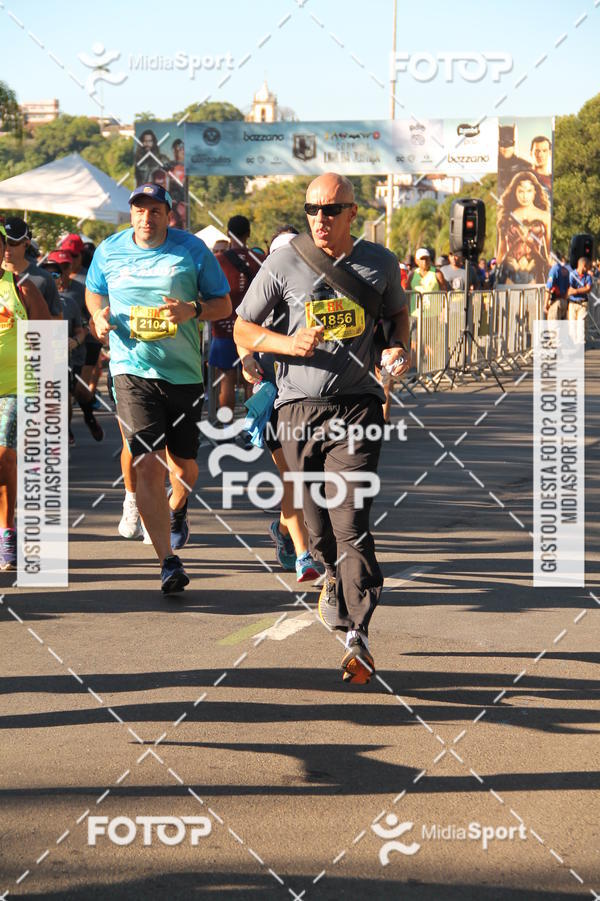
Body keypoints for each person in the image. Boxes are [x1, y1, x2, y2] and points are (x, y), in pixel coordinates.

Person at [234, 172, 410, 684]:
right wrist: (286, 345)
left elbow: (398, 316)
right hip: (296, 411)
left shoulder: (378, 263)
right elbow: (243, 326)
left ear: (353, 213)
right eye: (312, 210)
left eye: (331, 211)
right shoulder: (284, 259)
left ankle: (359, 633)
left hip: (356, 408)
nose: (320, 220)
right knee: (316, 526)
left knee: (350, 520)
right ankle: (328, 574)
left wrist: (398, 347)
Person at [86, 183, 231, 594]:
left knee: (183, 466)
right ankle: (168, 561)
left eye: (155, 211)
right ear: (131, 214)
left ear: (170, 215)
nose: (146, 218)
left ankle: (177, 508)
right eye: (139, 210)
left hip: (183, 374)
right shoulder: (109, 250)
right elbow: (94, 291)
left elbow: (224, 305)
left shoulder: (192, 251)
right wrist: (98, 318)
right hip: (131, 368)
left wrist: (194, 310)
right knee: (146, 460)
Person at [236, 225, 320, 583]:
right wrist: (246, 359)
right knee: (293, 478)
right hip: (276, 398)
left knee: (307, 480)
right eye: (279, 255)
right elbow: (243, 330)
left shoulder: (315, 291)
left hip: (315, 399)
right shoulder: (263, 291)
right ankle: (303, 556)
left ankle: (284, 531)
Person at [0, 224, 51, 570]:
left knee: (4, 456)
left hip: (16, 386)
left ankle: (7, 532)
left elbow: (47, 337)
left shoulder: (21, 287)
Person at [40, 250, 99, 444]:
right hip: (39, 357)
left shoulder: (73, 298)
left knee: (71, 393)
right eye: (48, 274)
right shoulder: (31, 297)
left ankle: (69, 427)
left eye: (59, 272)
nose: (56, 276)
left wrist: (76, 341)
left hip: (73, 355)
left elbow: (84, 326)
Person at [211, 215, 265, 416]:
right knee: (253, 379)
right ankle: (252, 430)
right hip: (254, 330)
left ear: (227, 233)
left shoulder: (217, 261)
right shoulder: (260, 260)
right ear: (249, 233)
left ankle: (226, 430)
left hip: (223, 328)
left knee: (226, 379)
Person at [496, 171, 551, 285]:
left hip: (535, 268)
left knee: (534, 302)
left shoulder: (544, 216)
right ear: (514, 192)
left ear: (535, 192)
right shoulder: (506, 216)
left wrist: (549, 269)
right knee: (509, 301)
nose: (525, 196)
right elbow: (501, 250)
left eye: (529, 191)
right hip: (510, 268)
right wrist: (496, 272)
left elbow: (548, 250)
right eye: (521, 191)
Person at [2, 217, 62, 319]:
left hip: (29, 334)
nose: (7, 248)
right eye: (3, 241)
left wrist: (24, 327)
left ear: (27, 242)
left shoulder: (44, 279)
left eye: (13, 242)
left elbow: (58, 319)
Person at [497, 124, 532, 195]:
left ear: (514, 144)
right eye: (502, 144)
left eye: (509, 144)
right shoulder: (493, 165)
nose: (505, 148)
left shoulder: (525, 166)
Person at [567, 256, 593, 325]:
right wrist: (583, 289)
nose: (589, 268)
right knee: (572, 328)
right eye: (588, 266)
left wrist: (576, 291)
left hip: (583, 304)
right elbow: (569, 290)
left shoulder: (588, 276)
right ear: (584, 265)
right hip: (572, 304)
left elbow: (588, 288)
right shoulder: (572, 275)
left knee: (581, 328)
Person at [544, 256, 570, 321]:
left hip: (556, 302)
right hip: (564, 302)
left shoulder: (554, 269)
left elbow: (548, 288)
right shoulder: (565, 270)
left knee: (553, 328)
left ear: (552, 259)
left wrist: (545, 304)